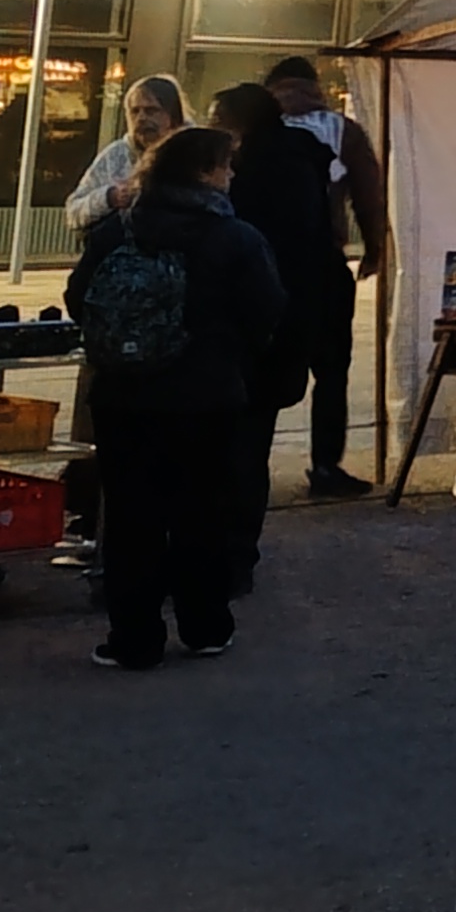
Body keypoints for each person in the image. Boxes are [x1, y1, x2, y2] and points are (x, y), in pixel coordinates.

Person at [69, 123, 291, 669]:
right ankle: (205, 626)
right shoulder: (234, 237)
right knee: (202, 513)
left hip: (121, 398)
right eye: (224, 165)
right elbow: (268, 310)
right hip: (205, 398)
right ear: (203, 173)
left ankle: (133, 638)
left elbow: (79, 297)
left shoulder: (118, 230)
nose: (231, 175)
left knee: (130, 517)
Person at [203, 86, 324, 587]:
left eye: (218, 119)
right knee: (252, 448)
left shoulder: (247, 176)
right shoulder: (304, 164)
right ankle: (237, 556)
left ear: (238, 124)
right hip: (286, 330)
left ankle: (226, 557)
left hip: (248, 334)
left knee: (233, 450)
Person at [263, 59, 389, 497]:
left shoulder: (251, 126)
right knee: (331, 368)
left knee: (262, 365)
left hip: (262, 263)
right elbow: (368, 194)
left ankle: (250, 461)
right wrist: (375, 250)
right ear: (315, 86)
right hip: (322, 263)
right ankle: (325, 466)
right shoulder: (342, 129)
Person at [62, 76, 188, 230]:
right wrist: (110, 197)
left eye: (151, 111)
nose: (141, 118)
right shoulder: (115, 155)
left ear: (174, 116)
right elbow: (73, 212)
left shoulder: (197, 152)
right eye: (135, 111)